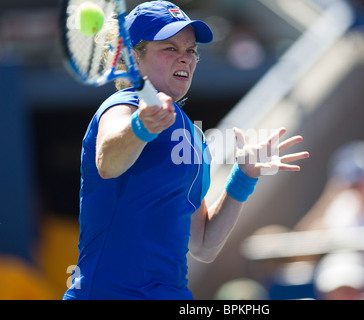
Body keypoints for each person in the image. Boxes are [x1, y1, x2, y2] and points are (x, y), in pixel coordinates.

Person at [63, 1, 309, 300]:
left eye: (191, 51)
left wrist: (243, 177)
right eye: (170, 48)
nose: (185, 59)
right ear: (134, 57)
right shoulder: (124, 106)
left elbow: (203, 244)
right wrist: (141, 127)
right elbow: (107, 161)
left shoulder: (191, 135)